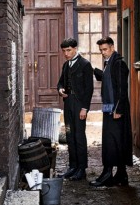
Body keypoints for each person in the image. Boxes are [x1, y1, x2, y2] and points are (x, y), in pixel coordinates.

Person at [89, 36, 133, 187]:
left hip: (116, 108)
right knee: (114, 141)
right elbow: (109, 81)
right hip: (109, 107)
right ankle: (121, 175)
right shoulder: (109, 63)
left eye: (105, 49)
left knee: (113, 141)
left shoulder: (119, 63)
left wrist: (118, 109)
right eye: (101, 50)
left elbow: (121, 88)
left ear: (112, 47)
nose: (103, 53)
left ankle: (108, 174)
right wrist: (96, 71)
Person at [57, 38, 94, 181]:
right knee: (70, 135)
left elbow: (89, 89)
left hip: (80, 105)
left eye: (68, 50)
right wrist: (60, 89)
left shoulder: (85, 64)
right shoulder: (66, 65)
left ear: (75, 49)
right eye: (64, 51)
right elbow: (61, 82)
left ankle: (81, 169)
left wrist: (85, 108)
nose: (66, 54)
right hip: (68, 104)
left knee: (79, 136)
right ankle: (72, 167)